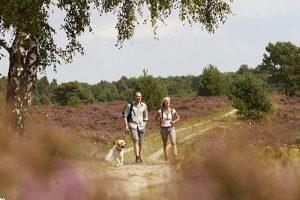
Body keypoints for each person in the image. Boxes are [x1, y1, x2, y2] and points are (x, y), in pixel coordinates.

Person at [123, 92, 148, 163]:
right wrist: (126, 126)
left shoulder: (144, 106)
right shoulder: (129, 105)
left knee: (141, 143)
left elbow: (146, 117)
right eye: (137, 96)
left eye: (140, 96)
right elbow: (125, 116)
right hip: (133, 125)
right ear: (135, 97)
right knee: (136, 140)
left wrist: (144, 125)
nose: (139, 98)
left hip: (141, 126)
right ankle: (137, 157)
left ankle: (139, 156)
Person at [156, 97, 180, 161]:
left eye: (169, 101)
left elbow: (178, 117)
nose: (167, 102)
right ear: (164, 103)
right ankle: (166, 156)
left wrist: (174, 121)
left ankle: (175, 157)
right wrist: (160, 120)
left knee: (173, 142)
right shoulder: (160, 111)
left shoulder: (173, 110)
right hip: (163, 128)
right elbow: (156, 118)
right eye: (166, 101)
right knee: (165, 143)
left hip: (171, 128)